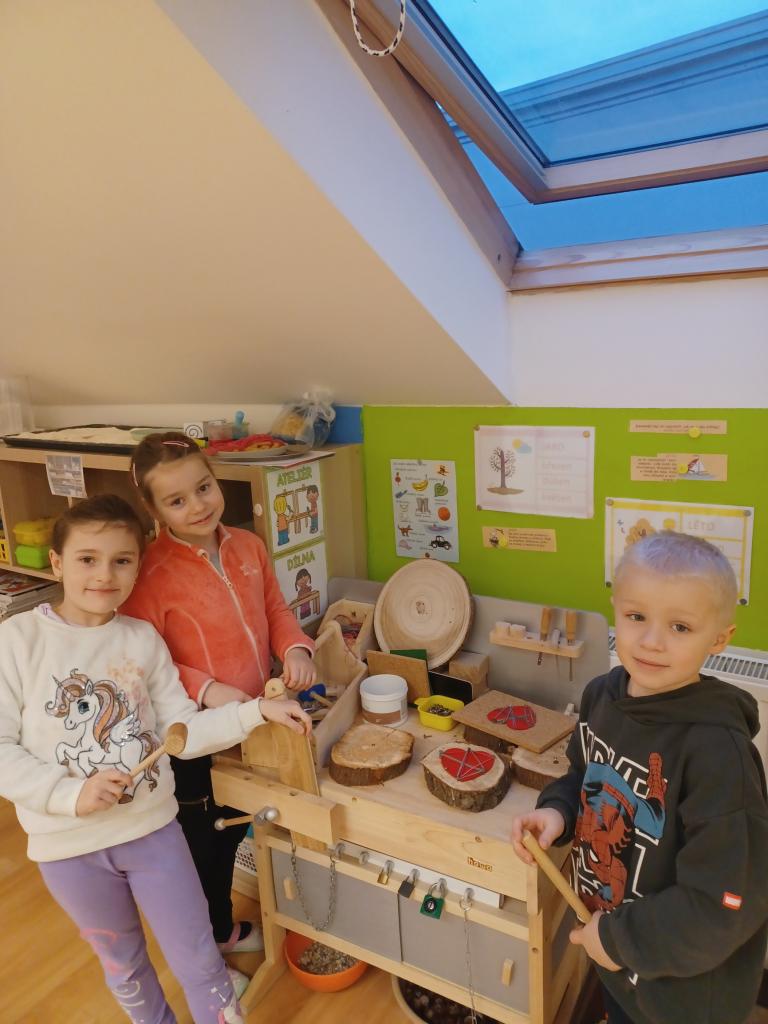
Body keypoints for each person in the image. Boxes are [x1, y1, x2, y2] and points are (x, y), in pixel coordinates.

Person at [0, 495, 311, 1024]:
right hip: (67, 850)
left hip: (153, 832)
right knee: (124, 967)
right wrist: (70, 794)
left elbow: (181, 732)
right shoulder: (16, 639)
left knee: (201, 960)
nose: (105, 574)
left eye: (121, 560)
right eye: (87, 559)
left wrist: (256, 711)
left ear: (137, 567)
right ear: (56, 563)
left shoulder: (141, 639)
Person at [511, 531, 768, 1024]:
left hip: (680, 997)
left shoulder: (719, 755)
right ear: (615, 609)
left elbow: (723, 904)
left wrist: (617, 939)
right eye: (636, 617)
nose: (651, 641)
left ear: (720, 638)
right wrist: (557, 812)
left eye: (680, 626)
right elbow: (583, 774)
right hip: (618, 962)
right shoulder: (601, 697)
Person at [122, 432, 316, 956]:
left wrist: (296, 648)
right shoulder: (149, 575)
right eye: (176, 500)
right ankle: (211, 936)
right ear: (153, 509)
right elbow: (147, 661)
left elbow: (275, 609)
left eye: (204, 487)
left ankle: (227, 922)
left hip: (256, 715)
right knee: (205, 842)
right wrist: (209, 690)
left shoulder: (249, 546)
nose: (198, 506)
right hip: (194, 736)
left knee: (239, 826)